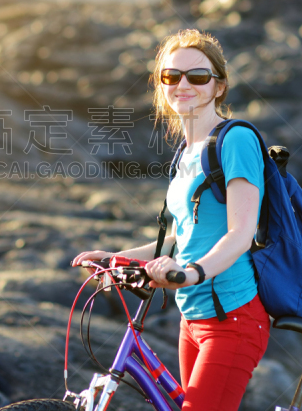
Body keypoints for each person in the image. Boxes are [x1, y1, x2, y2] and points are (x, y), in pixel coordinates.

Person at [71, 29, 270, 410]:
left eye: (197, 77)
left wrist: (191, 272)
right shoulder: (187, 151)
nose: (183, 84)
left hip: (232, 319)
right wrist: (115, 258)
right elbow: (179, 238)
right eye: (171, 76)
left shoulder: (236, 140)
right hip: (191, 317)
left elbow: (240, 233)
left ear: (219, 87)